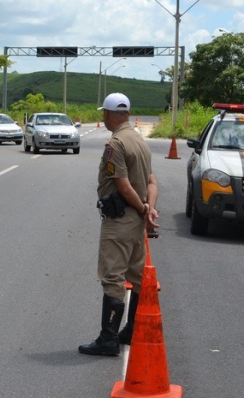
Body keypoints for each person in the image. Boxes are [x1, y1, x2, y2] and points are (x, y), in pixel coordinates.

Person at [78, 92, 159, 356]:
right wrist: (149, 209)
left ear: (112, 114)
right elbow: (151, 182)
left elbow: (123, 186)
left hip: (120, 219)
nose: (103, 117)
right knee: (135, 277)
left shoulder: (116, 144)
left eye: (105, 113)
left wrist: (141, 207)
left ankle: (108, 338)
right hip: (136, 223)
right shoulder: (139, 140)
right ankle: (130, 330)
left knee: (112, 276)